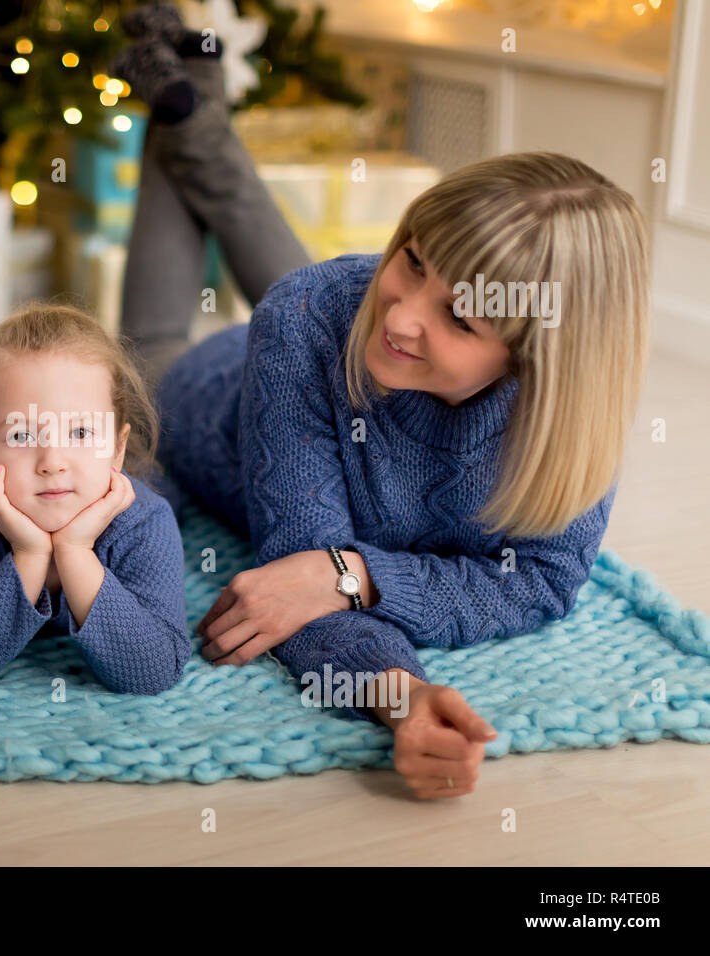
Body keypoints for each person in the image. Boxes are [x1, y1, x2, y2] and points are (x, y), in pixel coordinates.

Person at [114, 6, 651, 798]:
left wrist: (356, 575)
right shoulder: (320, 315)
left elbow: (538, 582)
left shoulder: (565, 413)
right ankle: (190, 108)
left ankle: (190, 100)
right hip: (208, 397)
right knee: (160, 343)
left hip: (346, 361)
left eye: (462, 315)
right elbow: (297, 560)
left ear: (537, 361)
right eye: (413, 258)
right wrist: (394, 691)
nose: (404, 313)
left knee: (329, 305)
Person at [0, 304, 191, 693]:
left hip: (132, 480)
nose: (52, 463)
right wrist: (29, 555)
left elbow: (156, 669)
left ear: (117, 447)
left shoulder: (146, 521)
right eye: (22, 435)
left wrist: (76, 552)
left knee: (169, 488)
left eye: (79, 433)